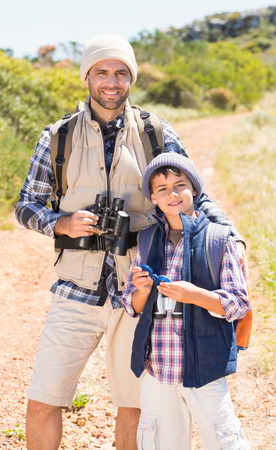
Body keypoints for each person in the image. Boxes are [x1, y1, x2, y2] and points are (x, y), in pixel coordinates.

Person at [15, 33, 248, 450]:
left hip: (139, 292)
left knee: (134, 408)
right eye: (102, 71)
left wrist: (233, 239)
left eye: (121, 72)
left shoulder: (156, 131)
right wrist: (60, 223)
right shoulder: (57, 136)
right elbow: (26, 205)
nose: (111, 81)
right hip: (75, 288)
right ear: (87, 77)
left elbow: (197, 196)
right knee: (42, 400)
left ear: (131, 79)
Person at [122, 152, 251, 449]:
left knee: (222, 438)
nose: (173, 193)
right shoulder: (148, 239)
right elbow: (132, 305)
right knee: (162, 440)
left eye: (180, 184)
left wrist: (194, 295)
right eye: (162, 189)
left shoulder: (219, 239)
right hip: (156, 366)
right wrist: (141, 290)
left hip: (205, 366)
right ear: (153, 198)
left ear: (194, 189)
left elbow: (238, 302)